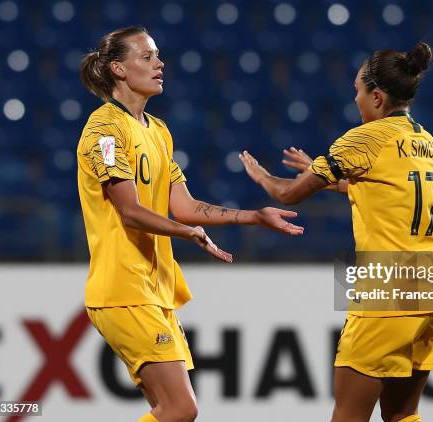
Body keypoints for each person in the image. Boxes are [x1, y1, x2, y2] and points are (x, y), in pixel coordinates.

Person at [76, 26, 304, 422]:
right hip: (123, 288)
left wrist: (254, 216)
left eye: (158, 55)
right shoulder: (104, 131)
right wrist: (187, 233)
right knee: (182, 409)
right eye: (146, 57)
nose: (160, 64)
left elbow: (184, 206)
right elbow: (128, 209)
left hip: (154, 290)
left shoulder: (159, 132)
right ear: (118, 69)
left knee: (168, 411)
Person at [239, 42, 433, 422]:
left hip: (388, 294)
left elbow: (289, 194)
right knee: (402, 415)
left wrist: (262, 177)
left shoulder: (363, 138)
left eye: (357, 90)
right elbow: (379, 187)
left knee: (349, 415)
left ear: (376, 96)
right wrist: (322, 174)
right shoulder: (424, 139)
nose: (355, 98)